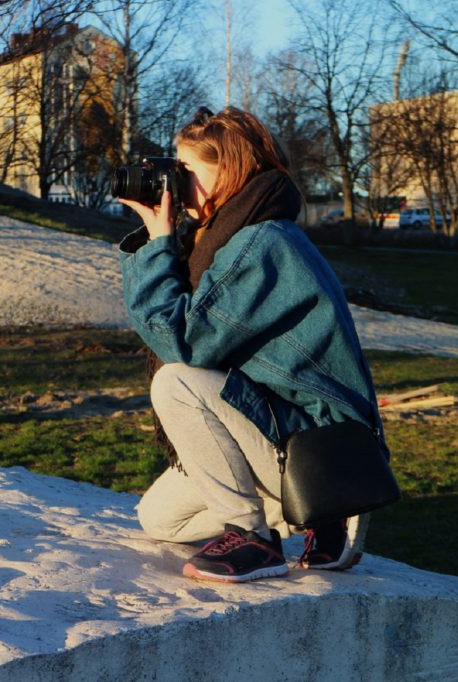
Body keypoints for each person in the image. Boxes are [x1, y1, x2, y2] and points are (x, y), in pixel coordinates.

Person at [117, 106, 387, 583]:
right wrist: (159, 241)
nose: (174, 187)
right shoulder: (232, 235)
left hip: (316, 442)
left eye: (186, 174)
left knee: (177, 381)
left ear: (231, 171)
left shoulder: (263, 243)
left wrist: (157, 244)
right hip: (278, 425)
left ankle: (254, 537)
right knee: (159, 520)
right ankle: (315, 513)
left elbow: (182, 342)